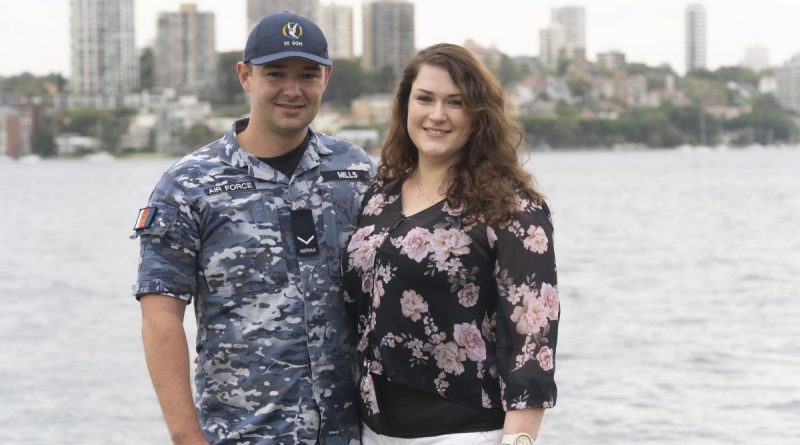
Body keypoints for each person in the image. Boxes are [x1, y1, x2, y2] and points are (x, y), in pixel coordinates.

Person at [132, 11, 374, 445]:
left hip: (349, 433)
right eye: (275, 73)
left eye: (307, 74)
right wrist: (187, 437)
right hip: (243, 433)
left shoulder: (355, 173)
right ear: (245, 76)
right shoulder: (189, 185)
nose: (292, 90)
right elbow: (161, 317)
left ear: (327, 78)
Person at [342, 44, 559, 445]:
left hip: (465, 433)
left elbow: (531, 340)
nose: (437, 115)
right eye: (425, 98)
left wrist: (520, 440)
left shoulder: (511, 208)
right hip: (371, 431)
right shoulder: (378, 196)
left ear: (478, 116)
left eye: (455, 102)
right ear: (406, 105)